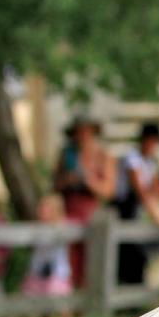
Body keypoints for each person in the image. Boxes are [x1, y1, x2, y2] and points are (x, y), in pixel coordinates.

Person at [113, 123, 159, 284]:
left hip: (140, 210)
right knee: (129, 253)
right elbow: (141, 192)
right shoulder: (132, 159)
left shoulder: (149, 163)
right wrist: (158, 216)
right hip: (126, 210)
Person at [54, 117, 116, 287]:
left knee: (92, 262)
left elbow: (108, 191)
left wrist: (88, 180)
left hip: (92, 215)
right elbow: (55, 185)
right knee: (68, 263)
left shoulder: (103, 156)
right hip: (68, 214)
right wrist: (68, 180)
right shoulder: (66, 155)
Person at [22, 194, 73, 301]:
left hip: (56, 274)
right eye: (41, 208)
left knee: (57, 300)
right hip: (37, 273)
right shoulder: (36, 228)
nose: (42, 211)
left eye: (46, 209)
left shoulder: (62, 226)